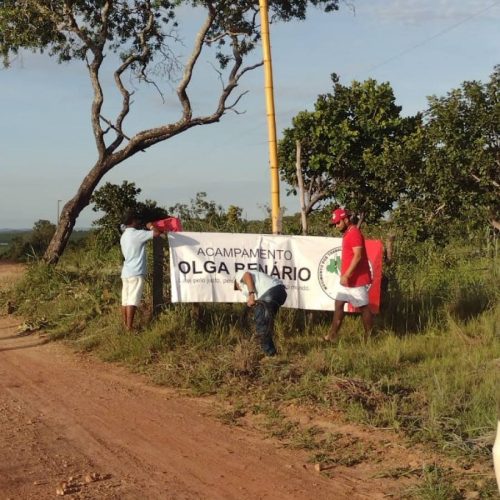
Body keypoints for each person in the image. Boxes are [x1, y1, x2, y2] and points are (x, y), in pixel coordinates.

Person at [324, 207, 373, 342]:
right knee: (339, 304)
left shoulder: (354, 233)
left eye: (338, 222)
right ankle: (332, 336)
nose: (336, 226)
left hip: (356, 279)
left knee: (363, 307)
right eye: (335, 224)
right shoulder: (348, 233)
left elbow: (358, 256)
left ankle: (369, 337)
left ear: (346, 219)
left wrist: (347, 275)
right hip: (348, 280)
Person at [120, 211, 160, 331]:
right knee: (132, 301)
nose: (138, 221)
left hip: (126, 272)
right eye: (136, 219)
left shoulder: (124, 235)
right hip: (136, 272)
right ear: (132, 221)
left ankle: (125, 326)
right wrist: (150, 226)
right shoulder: (137, 234)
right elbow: (157, 233)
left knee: (125, 300)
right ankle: (129, 328)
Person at [234, 270, 287, 356]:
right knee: (266, 323)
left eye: (237, 288)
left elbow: (247, 275)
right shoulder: (248, 287)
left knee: (261, 323)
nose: (239, 289)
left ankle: (270, 354)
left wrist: (251, 294)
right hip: (280, 292)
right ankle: (268, 350)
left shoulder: (238, 275)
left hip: (270, 291)